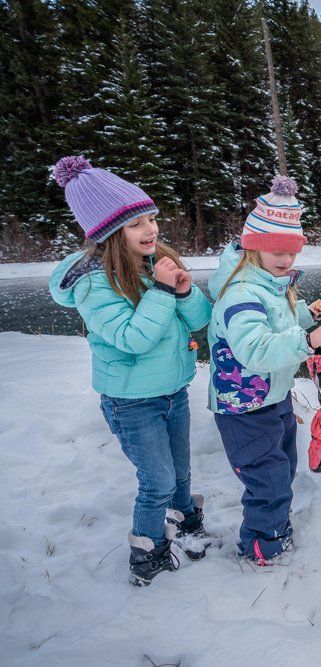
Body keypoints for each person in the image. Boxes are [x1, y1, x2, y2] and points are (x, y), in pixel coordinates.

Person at [47, 156, 213, 586]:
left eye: (151, 218)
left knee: (179, 471)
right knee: (156, 480)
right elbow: (132, 339)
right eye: (137, 223)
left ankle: (186, 520)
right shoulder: (92, 282)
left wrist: (183, 289)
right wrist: (161, 290)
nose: (151, 229)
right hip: (131, 401)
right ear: (108, 232)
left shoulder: (155, 261)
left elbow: (199, 319)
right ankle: (149, 555)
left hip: (173, 390)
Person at [208, 175, 321, 566]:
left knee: (282, 468)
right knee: (267, 481)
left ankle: (274, 526)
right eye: (276, 251)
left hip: (272, 398)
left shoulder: (271, 286)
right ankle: (261, 549)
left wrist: (306, 315)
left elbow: (280, 322)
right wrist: (308, 340)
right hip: (244, 408)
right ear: (253, 248)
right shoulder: (241, 294)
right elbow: (254, 349)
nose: (286, 260)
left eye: (291, 252)